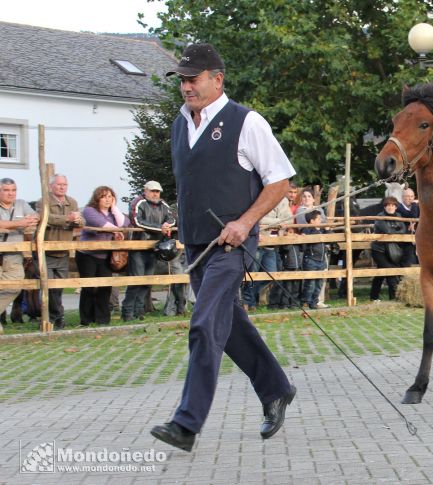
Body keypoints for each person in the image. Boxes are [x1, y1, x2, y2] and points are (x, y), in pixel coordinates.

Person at [151, 43, 297, 452]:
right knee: (228, 326)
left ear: (218, 78)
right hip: (196, 243)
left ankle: (186, 422)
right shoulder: (180, 124)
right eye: (181, 80)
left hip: (232, 244)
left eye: (193, 79)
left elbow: (280, 180)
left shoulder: (246, 122)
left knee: (204, 324)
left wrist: (246, 221)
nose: (186, 87)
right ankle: (276, 389)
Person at [121, 181, 175, 321]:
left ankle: (139, 312)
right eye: (152, 191)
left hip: (154, 248)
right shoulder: (138, 203)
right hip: (139, 247)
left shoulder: (163, 205)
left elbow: (171, 219)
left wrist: (167, 224)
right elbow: (137, 221)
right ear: (145, 190)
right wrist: (160, 227)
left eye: (157, 191)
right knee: (136, 281)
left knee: (147, 282)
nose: (155, 193)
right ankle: (127, 312)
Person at [37, 174, 85, 329]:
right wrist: (68, 219)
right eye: (58, 184)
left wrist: (77, 220)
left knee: (58, 288)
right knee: (47, 287)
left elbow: (81, 220)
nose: (62, 187)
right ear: (51, 186)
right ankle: (50, 318)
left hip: (63, 250)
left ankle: (57, 316)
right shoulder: (43, 201)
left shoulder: (72, 202)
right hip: (46, 251)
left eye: (64, 184)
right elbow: (46, 217)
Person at [77, 187, 130, 325]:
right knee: (88, 287)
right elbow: (101, 224)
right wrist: (116, 231)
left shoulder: (113, 213)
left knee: (105, 287)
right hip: (87, 255)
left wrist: (114, 208)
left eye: (110, 196)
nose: (107, 199)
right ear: (97, 198)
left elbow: (124, 224)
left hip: (104, 256)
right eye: (104, 196)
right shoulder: (89, 210)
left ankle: (102, 319)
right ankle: (86, 319)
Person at [0, 178, 38, 333]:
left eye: (13, 190)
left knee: (14, 287)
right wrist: (18, 224)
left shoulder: (21, 204)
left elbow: (35, 217)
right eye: (6, 190)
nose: (11, 193)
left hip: (14, 254)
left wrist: (30, 220)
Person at [242, 196, 291, 311]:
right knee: (252, 274)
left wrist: (277, 222)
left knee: (271, 274)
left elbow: (289, 219)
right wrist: (278, 221)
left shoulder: (283, 199)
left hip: (272, 244)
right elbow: (258, 218)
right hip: (258, 243)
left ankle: (251, 298)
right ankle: (248, 302)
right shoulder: (258, 196)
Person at [370, 197, 408, 301]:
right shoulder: (380, 217)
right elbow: (387, 230)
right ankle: (394, 298)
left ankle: (374, 297)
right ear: (385, 207)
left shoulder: (399, 216)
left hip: (392, 250)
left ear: (396, 207)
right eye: (388, 205)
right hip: (379, 250)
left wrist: (394, 231)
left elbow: (404, 230)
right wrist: (396, 230)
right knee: (390, 271)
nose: (390, 207)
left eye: (392, 205)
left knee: (380, 274)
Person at [300, 211, 328, 309]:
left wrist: (327, 230)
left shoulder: (322, 230)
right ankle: (306, 302)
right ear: (312, 221)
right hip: (311, 259)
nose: (321, 221)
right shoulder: (307, 230)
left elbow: (330, 236)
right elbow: (304, 242)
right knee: (310, 283)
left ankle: (314, 302)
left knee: (319, 283)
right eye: (318, 219)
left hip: (321, 259)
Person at [279, 227, 302, 309]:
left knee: (296, 288)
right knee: (287, 288)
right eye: (290, 232)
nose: (292, 234)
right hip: (288, 267)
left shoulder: (296, 243)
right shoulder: (285, 243)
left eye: (293, 232)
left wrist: (298, 238)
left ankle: (294, 303)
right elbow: (286, 249)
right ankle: (284, 304)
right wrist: (289, 240)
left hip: (297, 267)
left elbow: (303, 248)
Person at [397, 187, 419, 266]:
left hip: (415, 235)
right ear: (402, 198)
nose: (410, 198)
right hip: (403, 236)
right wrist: (414, 204)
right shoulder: (398, 208)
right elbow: (412, 216)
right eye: (407, 196)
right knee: (406, 257)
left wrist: (413, 223)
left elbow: (417, 217)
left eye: (412, 196)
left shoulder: (415, 207)